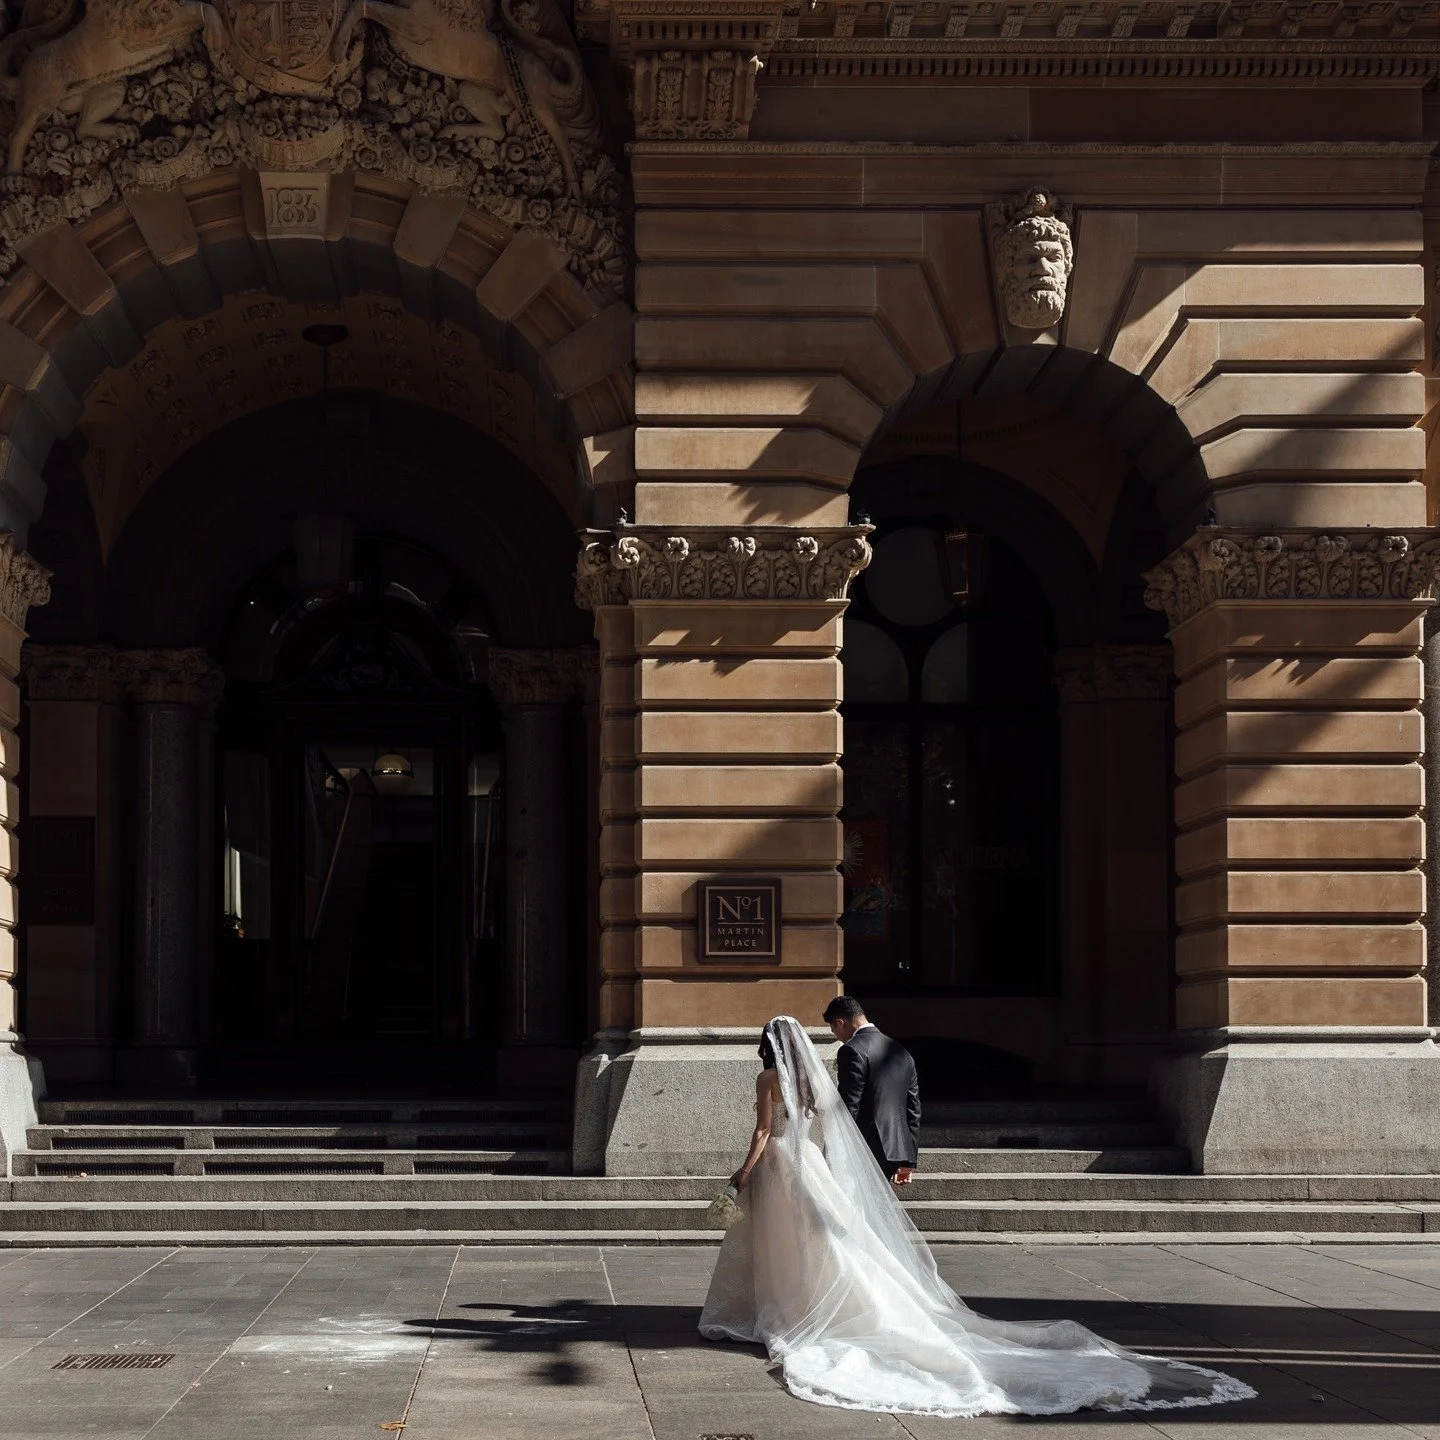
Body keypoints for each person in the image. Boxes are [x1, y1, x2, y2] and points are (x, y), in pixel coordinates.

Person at [698, 1016, 1256, 1419]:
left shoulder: (767, 1080)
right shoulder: (811, 1076)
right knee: (820, 1240)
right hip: (811, 1163)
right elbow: (828, 1119)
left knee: (783, 1240)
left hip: (781, 1162)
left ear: (767, 1046)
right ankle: (812, 1303)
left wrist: (742, 1173)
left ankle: (785, 1306)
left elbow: (764, 1131)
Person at [824, 995, 919, 1186]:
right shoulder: (901, 1051)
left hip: (864, 1148)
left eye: (834, 1030)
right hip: (896, 1151)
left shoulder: (852, 1050)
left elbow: (849, 1104)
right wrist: (908, 1160)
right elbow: (913, 1108)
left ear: (840, 1023)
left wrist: (837, 1147)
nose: (837, 1037)